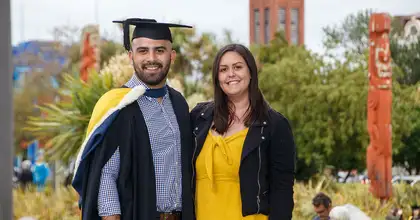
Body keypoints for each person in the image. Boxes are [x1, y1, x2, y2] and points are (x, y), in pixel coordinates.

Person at [72, 18, 195, 220]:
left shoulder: (179, 104)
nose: (151, 58)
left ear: (172, 55)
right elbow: (106, 175)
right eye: (143, 51)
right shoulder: (119, 105)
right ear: (131, 56)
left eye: (160, 50)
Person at [190, 44, 296, 219]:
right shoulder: (199, 118)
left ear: (251, 72)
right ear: (217, 77)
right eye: (223, 69)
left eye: (238, 67)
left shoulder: (274, 125)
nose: (231, 74)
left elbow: (282, 191)